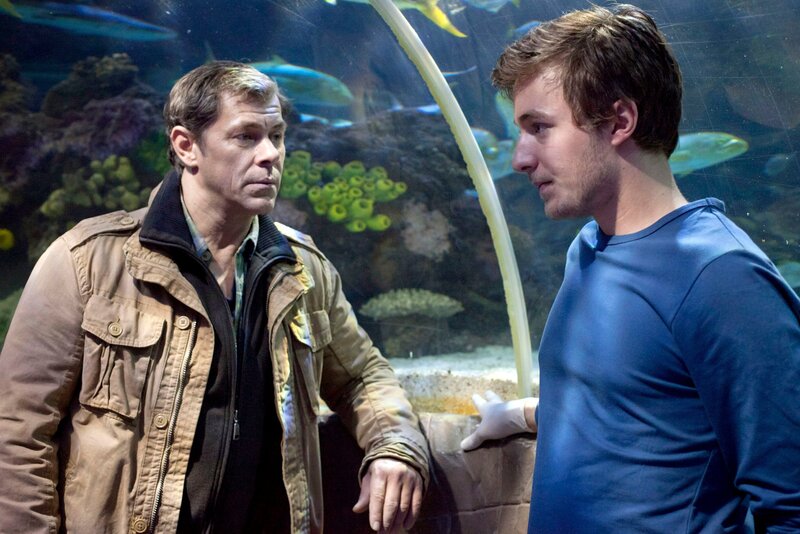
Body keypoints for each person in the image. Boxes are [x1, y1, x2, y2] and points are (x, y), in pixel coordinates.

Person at [0, 61, 430, 534]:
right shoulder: (86, 263)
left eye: (277, 136)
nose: (270, 155)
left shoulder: (302, 269)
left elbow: (362, 376)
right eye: (246, 136)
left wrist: (394, 447)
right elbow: (17, 429)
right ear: (186, 146)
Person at [461, 4, 800, 532]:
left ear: (620, 121)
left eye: (540, 128)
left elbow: (790, 502)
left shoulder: (722, 279)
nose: (521, 158)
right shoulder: (590, 246)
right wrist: (524, 414)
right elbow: (642, 407)